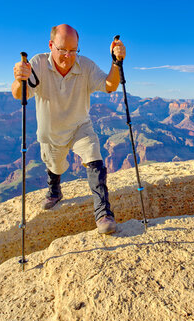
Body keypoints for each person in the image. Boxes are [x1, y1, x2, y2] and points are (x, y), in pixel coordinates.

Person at [11, 24, 126, 235]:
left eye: (73, 50)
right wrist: (19, 79)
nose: (67, 56)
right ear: (51, 45)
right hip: (51, 132)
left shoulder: (86, 66)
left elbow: (110, 85)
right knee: (54, 166)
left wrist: (116, 62)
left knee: (95, 159)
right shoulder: (37, 63)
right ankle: (54, 190)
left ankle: (103, 213)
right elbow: (20, 94)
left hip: (79, 126)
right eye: (62, 50)